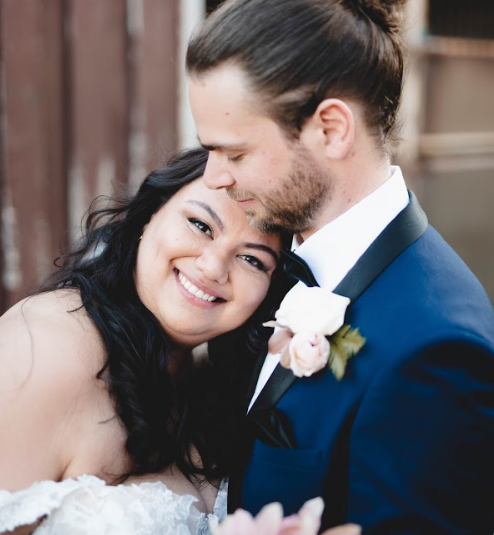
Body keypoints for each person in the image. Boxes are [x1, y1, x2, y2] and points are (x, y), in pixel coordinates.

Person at [186, 0, 494, 533]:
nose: (213, 177)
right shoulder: (269, 263)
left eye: (234, 154)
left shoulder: (435, 350)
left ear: (330, 129)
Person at [0, 148, 288, 535]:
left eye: (253, 260)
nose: (212, 267)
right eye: (200, 225)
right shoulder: (46, 346)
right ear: (149, 215)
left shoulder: (213, 389)